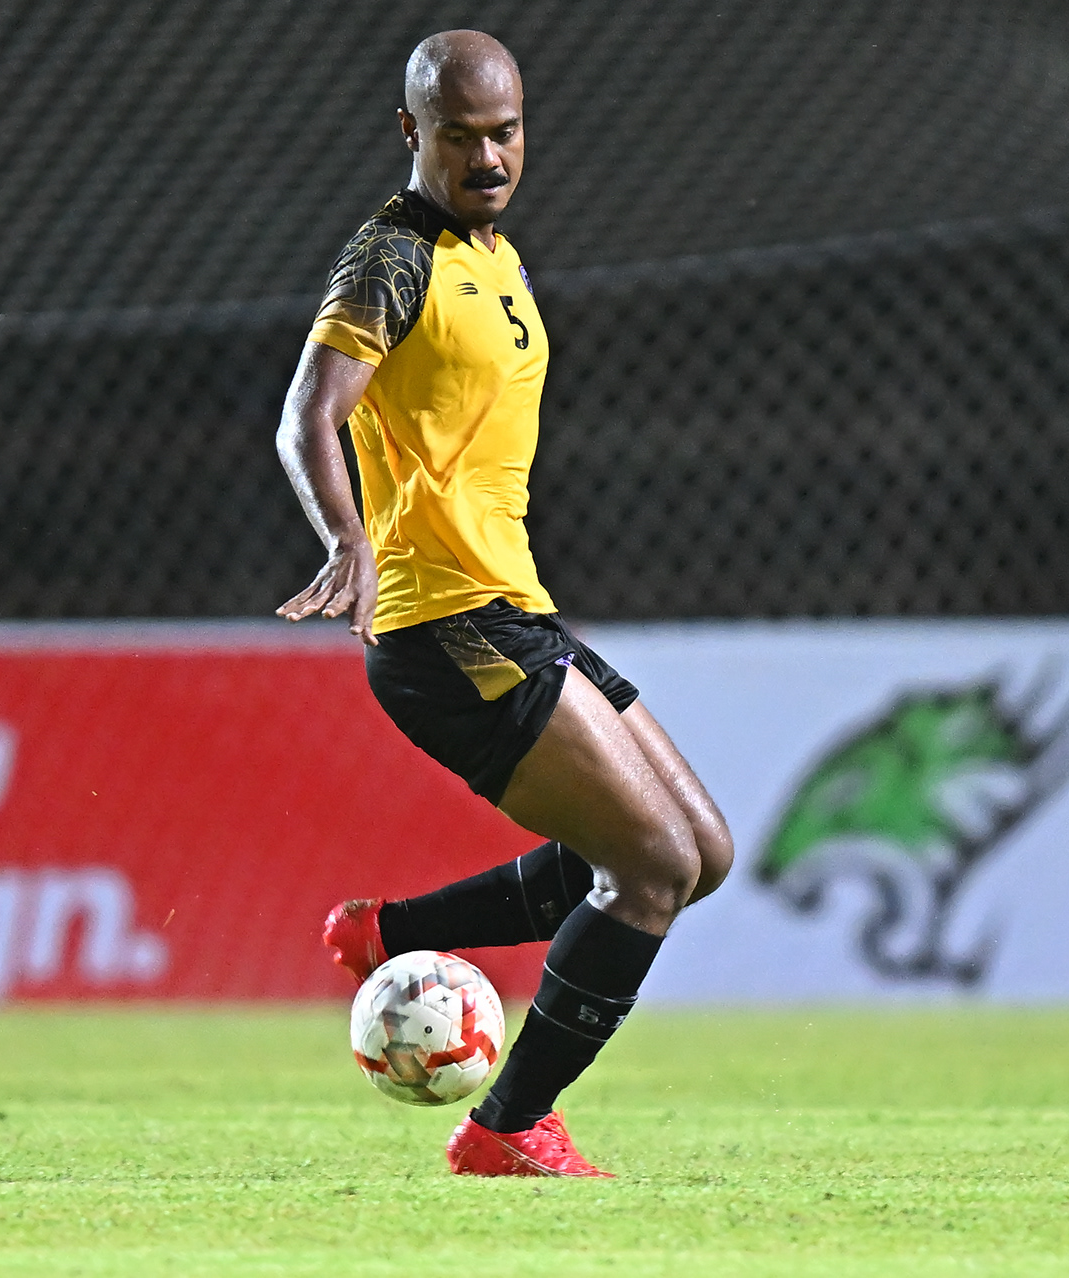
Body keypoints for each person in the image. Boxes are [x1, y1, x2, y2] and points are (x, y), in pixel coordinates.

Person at [275, 28, 732, 1179]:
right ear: (410, 131)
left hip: (512, 610)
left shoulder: (496, 254)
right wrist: (349, 540)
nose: (488, 156)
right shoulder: (392, 258)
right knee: (650, 871)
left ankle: (391, 935)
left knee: (702, 852)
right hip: (443, 623)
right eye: (460, 135)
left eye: (505, 132)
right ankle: (507, 1127)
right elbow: (308, 415)